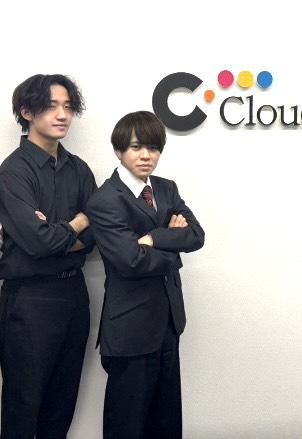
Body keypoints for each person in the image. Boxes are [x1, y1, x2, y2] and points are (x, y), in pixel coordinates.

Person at [86, 111, 204, 438]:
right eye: (136, 147)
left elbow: (196, 236)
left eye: (153, 148)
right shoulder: (105, 200)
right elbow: (131, 261)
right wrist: (172, 240)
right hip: (130, 328)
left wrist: (152, 238)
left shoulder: (166, 189)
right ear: (118, 150)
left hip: (168, 321)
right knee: (127, 424)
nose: (146, 156)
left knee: (166, 422)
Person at [0, 74, 96, 438]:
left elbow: (96, 237)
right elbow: (38, 243)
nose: (63, 115)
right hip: (30, 298)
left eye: (68, 107)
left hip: (74, 294)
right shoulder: (13, 172)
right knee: (24, 404)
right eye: (52, 106)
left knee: (62, 402)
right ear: (27, 112)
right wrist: (78, 222)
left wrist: (57, 233)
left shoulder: (79, 169)